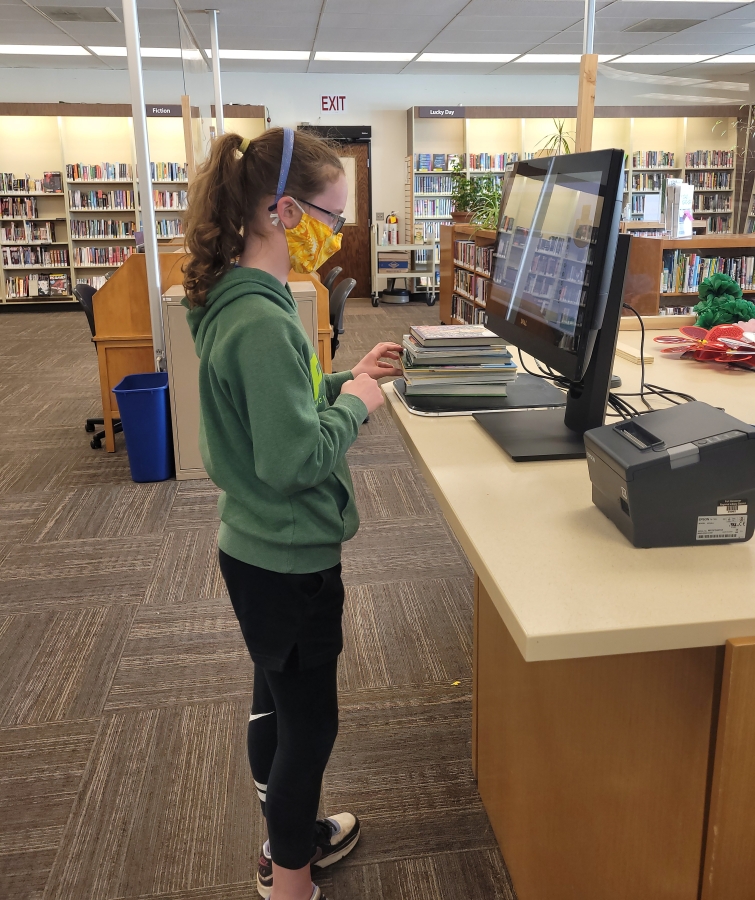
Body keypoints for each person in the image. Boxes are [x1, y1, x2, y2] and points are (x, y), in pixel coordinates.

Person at [183, 127, 402, 900]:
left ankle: (288, 839)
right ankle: (291, 882)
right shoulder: (266, 321)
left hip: (250, 548)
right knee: (310, 730)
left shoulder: (238, 297)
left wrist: (343, 382)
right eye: (329, 216)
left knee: (273, 698)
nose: (335, 234)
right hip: (290, 559)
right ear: (280, 211)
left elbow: (274, 413)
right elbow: (293, 460)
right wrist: (361, 407)